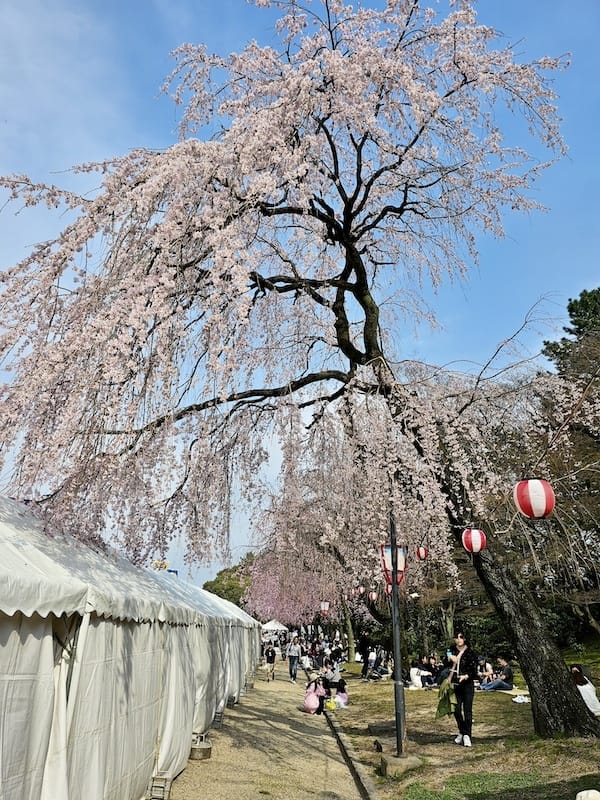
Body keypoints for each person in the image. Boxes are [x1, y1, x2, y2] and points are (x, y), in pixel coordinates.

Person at [448, 631, 478, 747]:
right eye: (457, 637)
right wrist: (450, 658)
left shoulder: (470, 652)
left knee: (467, 710)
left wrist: (466, 676)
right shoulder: (451, 651)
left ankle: (467, 735)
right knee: (455, 709)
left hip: (467, 684)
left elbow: (474, 671)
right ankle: (462, 730)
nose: (459, 639)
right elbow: (445, 666)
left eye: (461, 637)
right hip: (455, 684)